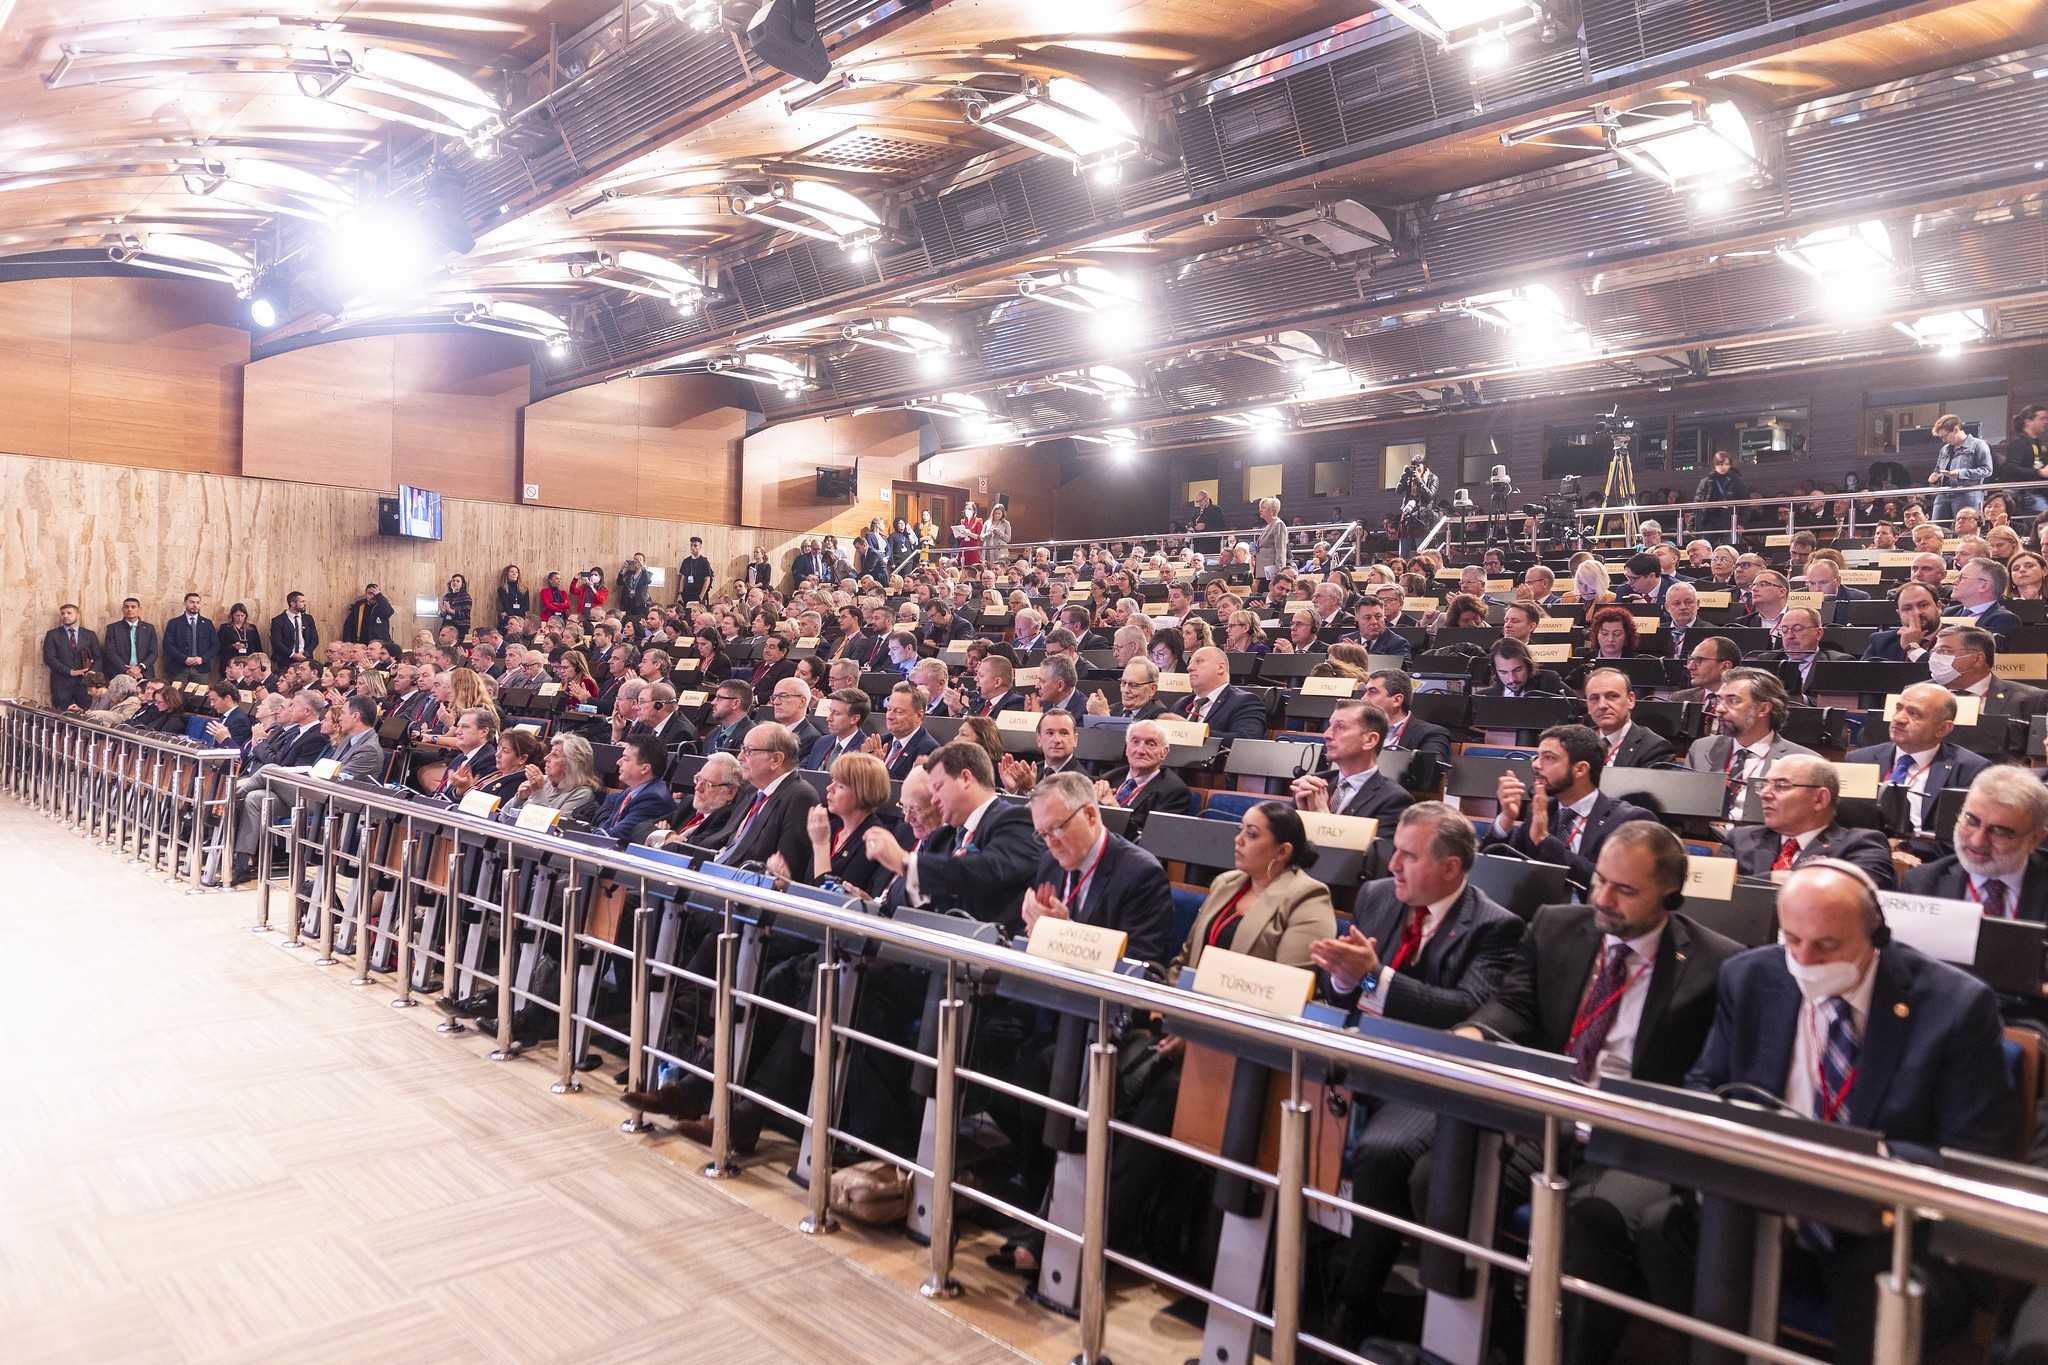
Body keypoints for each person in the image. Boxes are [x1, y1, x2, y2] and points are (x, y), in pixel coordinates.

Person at [1659, 861, 2014, 1365]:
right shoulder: (1750, 975)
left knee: (1868, 1285)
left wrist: (1853, 1162)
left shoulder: (1956, 1007)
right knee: (1665, 1230)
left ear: (1878, 934)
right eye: (1792, 938)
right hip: (1767, 1199)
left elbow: (1971, 1157)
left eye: (1827, 945)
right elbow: (1706, 1084)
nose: (1804, 959)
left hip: (1885, 1218)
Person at [1456, 821, 1744, 1364]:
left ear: (1671, 893)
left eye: (1625, 890)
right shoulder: (1556, 925)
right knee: (1447, 1173)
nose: (1603, 900)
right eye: (1599, 882)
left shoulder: (1717, 963)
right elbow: (1515, 1005)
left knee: (1594, 1222)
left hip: (1630, 1132)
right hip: (1549, 1113)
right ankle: (1498, 1333)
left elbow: (1710, 1075)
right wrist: (1475, 1032)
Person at [1308, 801, 1528, 1344]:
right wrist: (1346, 977)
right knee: (1266, 1091)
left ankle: (1353, 1312)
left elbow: (1465, 1010)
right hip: (1359, 1052)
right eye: (1394, 853)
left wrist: (1374, 977)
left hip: (1430, 1074)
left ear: (1451, 867)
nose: (1393, 867)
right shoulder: (1381, 897)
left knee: (1383, 1152)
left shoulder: (1496, 928)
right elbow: (1350, 987)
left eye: (1408, 857)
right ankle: (1282, 1287)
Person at [861, 740, 1039, 932]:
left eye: (938, 787)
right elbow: (897, 896)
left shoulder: (1016, 819)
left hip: (987, 953)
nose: (935, 799)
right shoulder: (943, 836)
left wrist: (905, 862)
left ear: (965, 778)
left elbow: (986, 871)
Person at [1490, 724, 1655, 887]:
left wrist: (1544, 841)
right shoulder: (1542, 809)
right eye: (1537, 756)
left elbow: (1610, 882)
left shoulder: (1629, 821)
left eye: (1549, 757)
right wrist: (1504, 821)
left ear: (1580, 769)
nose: (1535, 765)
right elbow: (1498, 871)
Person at [1845, 681, 1990, 854]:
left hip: (1926, 863)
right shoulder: (1860, 759)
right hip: (1863, 856)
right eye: (1898, 708)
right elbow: (1843, 826)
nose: (1899, 718)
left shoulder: (1970, 769)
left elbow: (1961, 840)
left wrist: (1903, 849)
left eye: (1914, 714)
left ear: (1943, 728)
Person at [1720, 753, 1896, 886]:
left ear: (1820, 799)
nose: (1764, 794)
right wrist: (1771, 880)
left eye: (1781, 786)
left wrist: (1751, 882)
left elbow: (1853, 896)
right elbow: (1712, 889)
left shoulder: (1862, 844)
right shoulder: (1740, 839)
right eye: (1764, 785)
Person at [1899, 765, 2048, 913]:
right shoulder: (1922, 885)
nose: (1978, 841)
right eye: (1972, 822)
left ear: (2034, 839)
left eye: (1999, 832)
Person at [1684, 668, 1816, 814]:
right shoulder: (1702, 749)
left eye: (1732, 701)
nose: (1719, 709)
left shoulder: (1804, 763)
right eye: (1720, 700)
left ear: (1763, 709)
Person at [1289, 701, 1414, 823]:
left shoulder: (1394, 799)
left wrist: (1321, 815)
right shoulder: (1312, 785)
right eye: (1330, 726)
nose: (1327, 734)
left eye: (1340, 727)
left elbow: (1372, 844)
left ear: (1370, 740)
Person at [798, 751, 894, 897]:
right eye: (832, 781)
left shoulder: (873, 839)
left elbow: (832, 898)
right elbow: (809, 883)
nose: (829, 789)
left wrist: (820, 845)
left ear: (862, 792)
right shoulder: (832, 827)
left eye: (840, 785)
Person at [1093, 719, 1193, 837]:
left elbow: (1154, 840)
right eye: (1135, 742)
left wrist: (1114, 810)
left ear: (1164, 752)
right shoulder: (1109, 778)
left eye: (1150, 744)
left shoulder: (1174, 792)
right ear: (1126, 748)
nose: (1140, 750)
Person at [1931, 623, 2047, 718]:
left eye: (1945, 651)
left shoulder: (2030, 700)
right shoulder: (1915, 693)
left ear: (1978, 659)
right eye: (1935, 651)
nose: (1935, 658)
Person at [649, 751, 747, 850]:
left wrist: (658, 837)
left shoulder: (727, 817)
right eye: (698, 780)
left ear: (730, 792)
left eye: (707, 784)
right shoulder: (689, 804)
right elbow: (640, 828)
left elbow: (689, 850)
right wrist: (667, 836)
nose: (697, 788)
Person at [592, 735, 679, 844]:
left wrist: (588, 836)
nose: (618, 762)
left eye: (625, 759)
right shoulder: (629, 792)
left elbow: (618, 835)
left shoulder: (654, 799)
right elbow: (607, 827)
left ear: (644, 768)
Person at [504, 733, 605, 825]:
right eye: (549, 753)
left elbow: (554, 828)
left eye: (555, 755)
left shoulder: (582, 793)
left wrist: (538, 793)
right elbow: (502, 819)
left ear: (570, 764)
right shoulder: (542, 781)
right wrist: (519, 799)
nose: (546, 758)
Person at [1360, 669, 1452, 766]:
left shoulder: (1432, 734)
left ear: (1396, 700)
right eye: (1365, 691)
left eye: (1373, 692)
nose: (1363, 699)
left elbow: (1429, 771)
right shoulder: (1356, 729)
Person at [1929, 412, 1994, 522]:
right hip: (1944, 493)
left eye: (1945, 436)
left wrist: (1961, 473)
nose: (1944, 440)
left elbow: (1987, 470)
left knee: (1965, 529)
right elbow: (1938, 469)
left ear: (1956, 429)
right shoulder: (1944, 449)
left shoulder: (1978, 445)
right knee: (1937, 528)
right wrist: (1934, 476)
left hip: (1967, 493)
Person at [868, 681, 940, 779]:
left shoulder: (929, 750)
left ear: (919, 716)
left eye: (899, 712)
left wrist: (878, 765)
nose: (890, 716)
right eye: (889, 710)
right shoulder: (881, 742)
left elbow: (909, 789)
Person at [1946, 556, 2024, 645]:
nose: (1954, 582)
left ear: (1984, 586)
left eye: (1962, 577)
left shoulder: (2005, 619)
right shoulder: (1948, 612)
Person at [1861, 582, 1943, 662]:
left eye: (1923, 605)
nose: (1916, 612)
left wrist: (1912, 648)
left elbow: (1946, 672)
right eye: (1907, 609)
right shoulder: (1881, 642)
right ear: (1899, 613)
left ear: (1938, 607)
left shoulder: (1954, 638)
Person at [43, 604, 101, 710]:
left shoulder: (89, 635)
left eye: (69, 613)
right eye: (63, 613)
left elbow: (99, 657)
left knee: (85, 715)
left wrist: (92, 671)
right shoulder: (52, 634)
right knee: (60, 716)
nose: (65, 616)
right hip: (61, 683)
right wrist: (70, 671)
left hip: (85, 683)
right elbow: (49, 658)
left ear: (78, 615)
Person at [163, 592, 216, 684]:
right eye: (192, 602)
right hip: (179, 668)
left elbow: (215, 645)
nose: (195, 605)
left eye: (197, 602)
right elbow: (167, 645)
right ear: (185, 603)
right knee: (178, 696)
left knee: (200, 696)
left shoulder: (207, 623)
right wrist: (184, 658)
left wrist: (202, 659)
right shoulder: (174, 623)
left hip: (201, 668)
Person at [102, 597, 158, 681]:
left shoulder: (149, 628)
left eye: (133, 607)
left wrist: (139, 667)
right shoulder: (113, 628)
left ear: (139, 609)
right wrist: (127, 670)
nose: (129, 609)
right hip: (119, 673)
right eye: (126, 607)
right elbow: (110, 652)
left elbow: (154, 653)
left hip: (144, 674)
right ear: (122, 609)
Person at [267, 592, 318, 662]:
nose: (305, 604)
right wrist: (292, 655)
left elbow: (314, 639)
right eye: (302, 602)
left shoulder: (308, 619)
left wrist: (305, 653)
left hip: (305, 658)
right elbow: (276, 642)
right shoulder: (278, 620)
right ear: (293, 604)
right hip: (286, 660)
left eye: (304, 601)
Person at [1253, 496, 1286, 582]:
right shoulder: (1268, 526)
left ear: (1271, 510)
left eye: (1263, 508)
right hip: (1263, 570)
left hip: (1272, 572)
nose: (1260, 510)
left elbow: (1280, 550)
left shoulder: (1278, 525)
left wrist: (1280, 574)